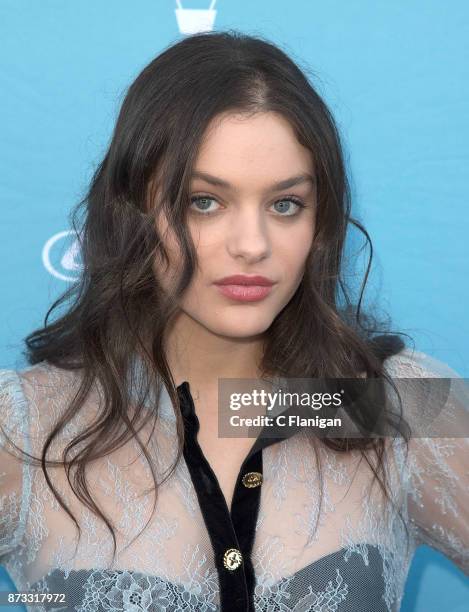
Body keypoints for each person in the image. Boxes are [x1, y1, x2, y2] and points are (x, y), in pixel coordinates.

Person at [0, 30, 468, 612]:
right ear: (132, 210)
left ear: (320, 224)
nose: (252, 245)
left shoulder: (385, 401)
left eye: (285, 204)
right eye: (205, 201)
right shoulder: (26, 428)